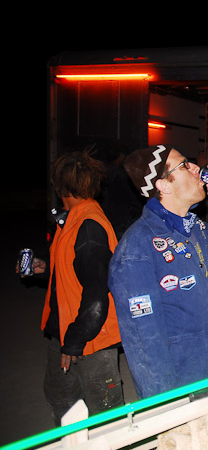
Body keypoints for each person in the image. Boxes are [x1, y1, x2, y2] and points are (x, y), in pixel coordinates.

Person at [109, 145, 208, 398]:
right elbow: (144, 343)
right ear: (163, 185)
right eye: (185, 165)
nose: (197, 167)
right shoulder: (137, 248)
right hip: (183, 388)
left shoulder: (194, 228)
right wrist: (164, 405)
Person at [31, 151, 124, 425]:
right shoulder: (72, 219)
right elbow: (75, 269)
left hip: (89, 339)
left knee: (106, 414)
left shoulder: (89, 226)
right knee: (60, 396)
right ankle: (76, 448)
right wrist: (44, 268)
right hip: (65, 332)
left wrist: (73, 342)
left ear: (61, 186)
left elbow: (97, 293)